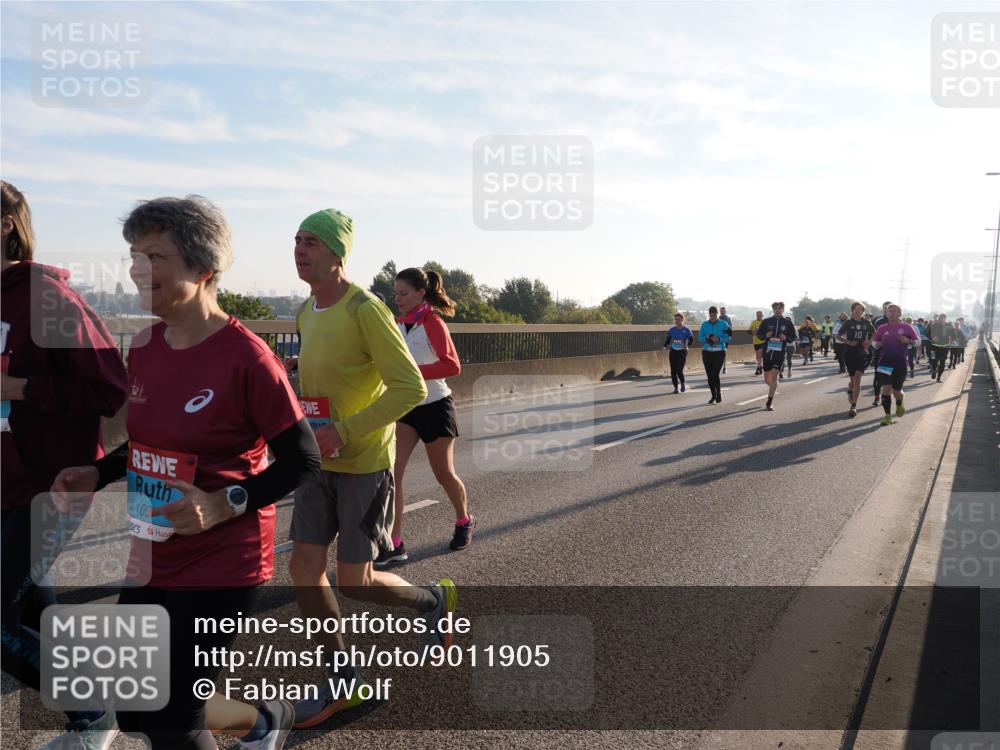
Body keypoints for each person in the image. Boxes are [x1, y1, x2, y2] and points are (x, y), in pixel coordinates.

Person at [52, 196, 322, 750]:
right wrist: (97, 473)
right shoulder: (146, 345)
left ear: (203, 269)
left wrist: (224, 503)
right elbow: (150, 444)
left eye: (154, 256)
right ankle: (263, 720)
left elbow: (303, 459)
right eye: (134, 255)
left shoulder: (249, 359)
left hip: (224, 556)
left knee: (172, 716)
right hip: (154, 548)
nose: (137, 269)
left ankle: (252, 721)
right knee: (134, 707)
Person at [284, 209, 456, 729]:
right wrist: (295, 376)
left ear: (338, 253)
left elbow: (408, 387)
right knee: (303, 569)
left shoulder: (366, 309)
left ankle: (432, 600)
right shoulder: (306, 311)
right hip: (318, 459)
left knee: (354, 581)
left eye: (312, 241)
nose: (299, 249)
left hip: (361, 462)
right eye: (297, 240)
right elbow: (328, 373)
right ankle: (344, 679)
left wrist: (344, 430)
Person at [2, 181, 129, 750]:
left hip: (51, 485)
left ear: (6, 224)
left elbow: (109, 390)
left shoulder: (47, 299)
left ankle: (95, 713)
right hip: (5, 480)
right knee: (32, 614)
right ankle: (90, 720)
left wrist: (23, 387)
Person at [375, 266, 471, 568]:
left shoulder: (433, 323)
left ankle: (463, 519)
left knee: (444, 475)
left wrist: (412, 373)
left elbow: (452, 365)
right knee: (393, 475)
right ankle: (395, 543)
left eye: (403, 293)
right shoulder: (396, 324)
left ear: (421, 293)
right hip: (406, 408)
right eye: (395, 293)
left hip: (435, 406)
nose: (398, 299)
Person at [872, 304, 919, 426]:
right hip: (885, 362)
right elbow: (874, 342)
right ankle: (887, 416)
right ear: (886, 313)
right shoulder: (881, 328)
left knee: (896, 390)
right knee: (886, 388)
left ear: (899, 313)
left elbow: (918, 342)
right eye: (889, 311)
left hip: (900, 363)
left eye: (895, 311)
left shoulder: (907, 327)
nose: (892, 313)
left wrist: (908, 341)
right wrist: (876, 345)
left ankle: (899, 402)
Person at [756, 301, 797, 412]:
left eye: (779, 309)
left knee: (774, 377)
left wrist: (786, 337)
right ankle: (773, 387)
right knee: (767, 380)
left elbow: (794, 336)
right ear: (773, 310)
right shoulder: (766, 321)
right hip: (767, 354)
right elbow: (759, 335)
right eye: (775, 309)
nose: (777, 311)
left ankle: (769, 402)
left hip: (779, 354)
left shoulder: (787, 323)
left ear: (783, 310)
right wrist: (766, 335)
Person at [837, 302, 875, 418]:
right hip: (850, 353)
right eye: (855, 309)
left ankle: (853, 406)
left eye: (860, 309)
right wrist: (848, 342)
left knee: (858, 378)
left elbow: (875, 334)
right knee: (853, 381)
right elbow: (838, 335)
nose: (858, 310)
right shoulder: (848, 323)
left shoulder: (867, 323)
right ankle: (850, 390)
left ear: (863, 311)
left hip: (863, 353)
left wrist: (869, 342)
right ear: (852, 311)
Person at [698, 307, 730, 404]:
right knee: (709, 375)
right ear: (709, 314)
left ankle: (719, 394)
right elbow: (700, 338)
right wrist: (706, 337)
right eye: (711, 315)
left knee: (714, 374)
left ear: (717, 314)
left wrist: (719, 339)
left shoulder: (724, 324)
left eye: (714, 315)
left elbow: (728, 337)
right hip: (707, 352)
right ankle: (713, 395)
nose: (713, 317)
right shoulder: (704, 324)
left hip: (719, 352)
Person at [662, 312, 694, 393]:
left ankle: (682, 383)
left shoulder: (686, 330)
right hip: (673, 351)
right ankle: (676, 388)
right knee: (673, 371)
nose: (677, 321)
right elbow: (668, 339)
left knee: (679, 370)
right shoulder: (672, 330)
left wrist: (687, 346)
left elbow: (691, 340)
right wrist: (664, 346)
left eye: (678, 319)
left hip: (682, 351)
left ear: (682, 320)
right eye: (675, 319)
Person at [869, 301, 891, 406]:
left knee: (887, 376)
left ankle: (885, 396)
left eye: (888, 308)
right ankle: (877, 397)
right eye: (884, 308)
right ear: (882, 309)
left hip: (892, 354)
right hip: (879, 352)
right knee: (878, 376)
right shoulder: (877, 320)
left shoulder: (898, 321)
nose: (886, 310)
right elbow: (871, 334)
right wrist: (873, 344)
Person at [928, 313, 952, 382]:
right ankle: (934, 370)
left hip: (945, 347)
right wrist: (932, 338)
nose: (941, 319)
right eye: (940, 318)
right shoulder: (934, 325)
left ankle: (939, 377)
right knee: (933, 360)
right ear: (939, 318)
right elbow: (927, 334)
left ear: (945, 318)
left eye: (943, 318)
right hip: (933, 346)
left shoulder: (949, 326)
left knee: (942, 362)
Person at [748, 310, 765, 376]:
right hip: (755, 341)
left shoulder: (764, 322)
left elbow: (767, 330)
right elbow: (749, 331)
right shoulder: (753, 322)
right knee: (757, 356)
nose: (759, 316)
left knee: (760, 354)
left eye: (760, 315)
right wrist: (753, 331)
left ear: (762, 315)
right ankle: (760, 366)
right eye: (757, 315)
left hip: (763, 341)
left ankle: (758, 368)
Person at [718, 306, 733, 374]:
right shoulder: (718, 319)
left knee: (724, 352)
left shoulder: (728, 319)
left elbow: (730, 329)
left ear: (725, 312)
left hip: (725, 338)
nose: (722, 312)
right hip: (718, 338)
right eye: (721, 311)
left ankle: (724, 367)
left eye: (723, 311)